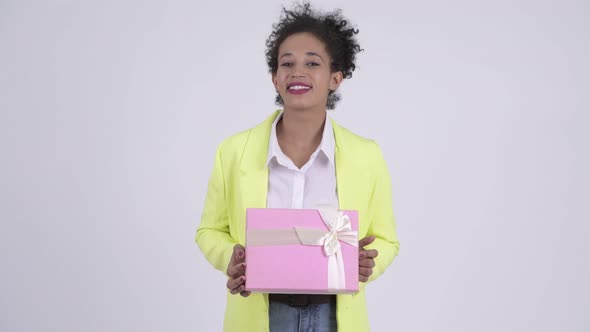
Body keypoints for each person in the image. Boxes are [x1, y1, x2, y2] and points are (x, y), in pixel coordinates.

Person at [196, 3, 399, 331]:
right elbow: (209, 231)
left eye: (312, 63)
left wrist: (367, 264)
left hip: (335, 316)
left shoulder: (366, 156)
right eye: (286, 63)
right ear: (275, 78)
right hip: (260, 313)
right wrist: (230, 256)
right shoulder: (233, 152)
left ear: (335, 77)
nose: (297, 71)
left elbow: (387, 240)